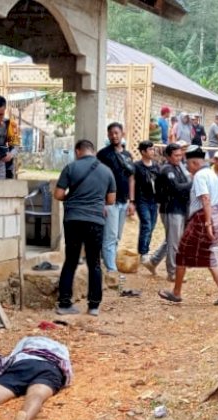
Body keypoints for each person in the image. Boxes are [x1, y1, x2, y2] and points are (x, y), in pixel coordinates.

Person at [158, 146, 218, 305]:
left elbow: (205, 199)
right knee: (210, 256)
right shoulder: (212, 174)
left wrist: (207, 223)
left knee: (182, 253)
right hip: (216, 215)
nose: (188, 168)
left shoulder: (199, 176)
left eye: (189, 164)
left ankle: (176, 293)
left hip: (203, 217)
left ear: (194, 162)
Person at [54, 140, 116, 316]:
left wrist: (73, 200)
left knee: (71, 261)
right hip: (96, 221)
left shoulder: (71, 168)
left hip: (73, 220)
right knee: (94, 262)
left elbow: (58, 194)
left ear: (77, 151)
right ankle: (94, 306)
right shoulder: (106, 171)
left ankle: (64, 304)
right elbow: (111, 200)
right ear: (94, 152)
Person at [144, 143, 191, 281]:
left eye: (180, 155)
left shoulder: (179, 168)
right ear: (168, 156)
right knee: (174, 242)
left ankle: (153, 261)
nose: (179, 157)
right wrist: (192, 183)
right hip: (171, 209)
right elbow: (176, 188)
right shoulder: (167, 170)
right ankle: (172, 272)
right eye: (176, 155)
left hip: (180, 208)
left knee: (172, 239)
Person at [96, 123, 135, 286]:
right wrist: (101, 202)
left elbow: (132, 178)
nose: (114, 136)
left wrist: (131, 201)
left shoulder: (127, 155)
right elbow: (98, 178)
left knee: (117, 236)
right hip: (109, 202)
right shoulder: (103, 155)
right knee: (110, 236)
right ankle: (111, 270)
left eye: (117, 133)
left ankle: (107, 265)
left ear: (122, 133)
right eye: (111, 133)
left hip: (123, 201)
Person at [131, 141, 160, 262]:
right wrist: (132, 200)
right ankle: (143, 252)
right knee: (146, 224)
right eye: (150, 149)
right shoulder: (136, 166)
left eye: (153, 149)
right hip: (141, 200)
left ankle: (145, 248)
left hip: (154, 200)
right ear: (143, 152)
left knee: (152, 226)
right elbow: (132, 182)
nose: (153, 151)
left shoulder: (156, 165)